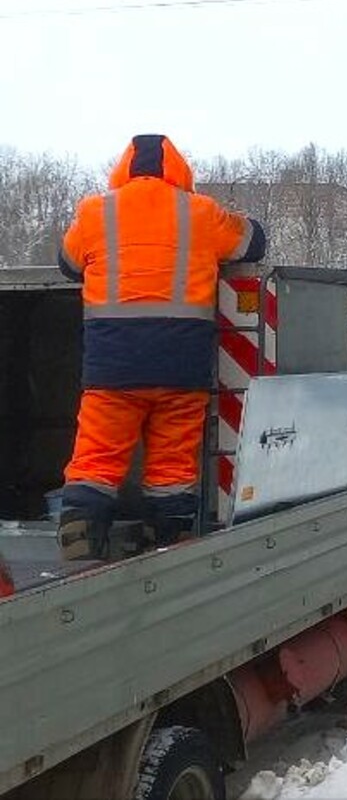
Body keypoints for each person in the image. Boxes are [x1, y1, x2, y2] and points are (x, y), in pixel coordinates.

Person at [55, 135, 267, 560]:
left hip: (112, 367)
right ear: (179, 170)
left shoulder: (96, 212)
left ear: (122, 169)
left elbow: (68, 263)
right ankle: (168, 540)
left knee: (97, 455)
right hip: (181, 366)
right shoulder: (201, 213)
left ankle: (81, 537)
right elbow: (252, 244)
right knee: (172, 462)